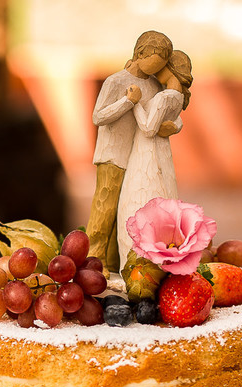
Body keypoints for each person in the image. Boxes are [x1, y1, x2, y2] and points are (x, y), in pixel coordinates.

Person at [85, 31, 173, 271]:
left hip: (137, 157)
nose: (156, 69)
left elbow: (154, 116)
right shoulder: (116, 81)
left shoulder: (153, 85)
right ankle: (94, 260)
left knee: (124, 211)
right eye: (154, 61)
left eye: (162, 64)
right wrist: (128, 101)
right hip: (113, 153)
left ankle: (113, 262)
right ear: (139, 54)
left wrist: (169, 127)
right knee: (105, 207)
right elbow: (98, 116)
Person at [115, 49, 193, 263]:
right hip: (162, 152)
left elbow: (148, 128)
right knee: (162, 193)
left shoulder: (164, 97)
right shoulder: (176, 98)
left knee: (139, 197)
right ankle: (162, 256)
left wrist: (135, 102)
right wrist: (176, 125)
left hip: (147, 152)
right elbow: (172, 122)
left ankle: (134, 262)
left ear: (171, 69)